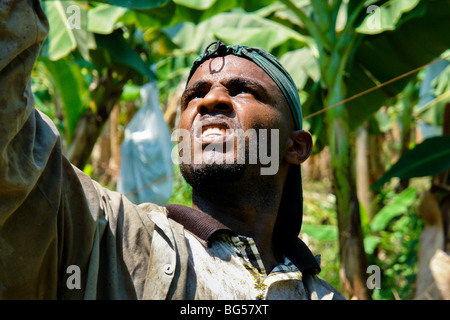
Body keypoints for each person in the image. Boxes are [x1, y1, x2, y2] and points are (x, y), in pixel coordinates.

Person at [0, 0, 344, 300]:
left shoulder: (324, 296)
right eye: (194, 95)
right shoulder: (116, 236)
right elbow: (14, 148)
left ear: (295, 146)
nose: (210, 100)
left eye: (244, 90)